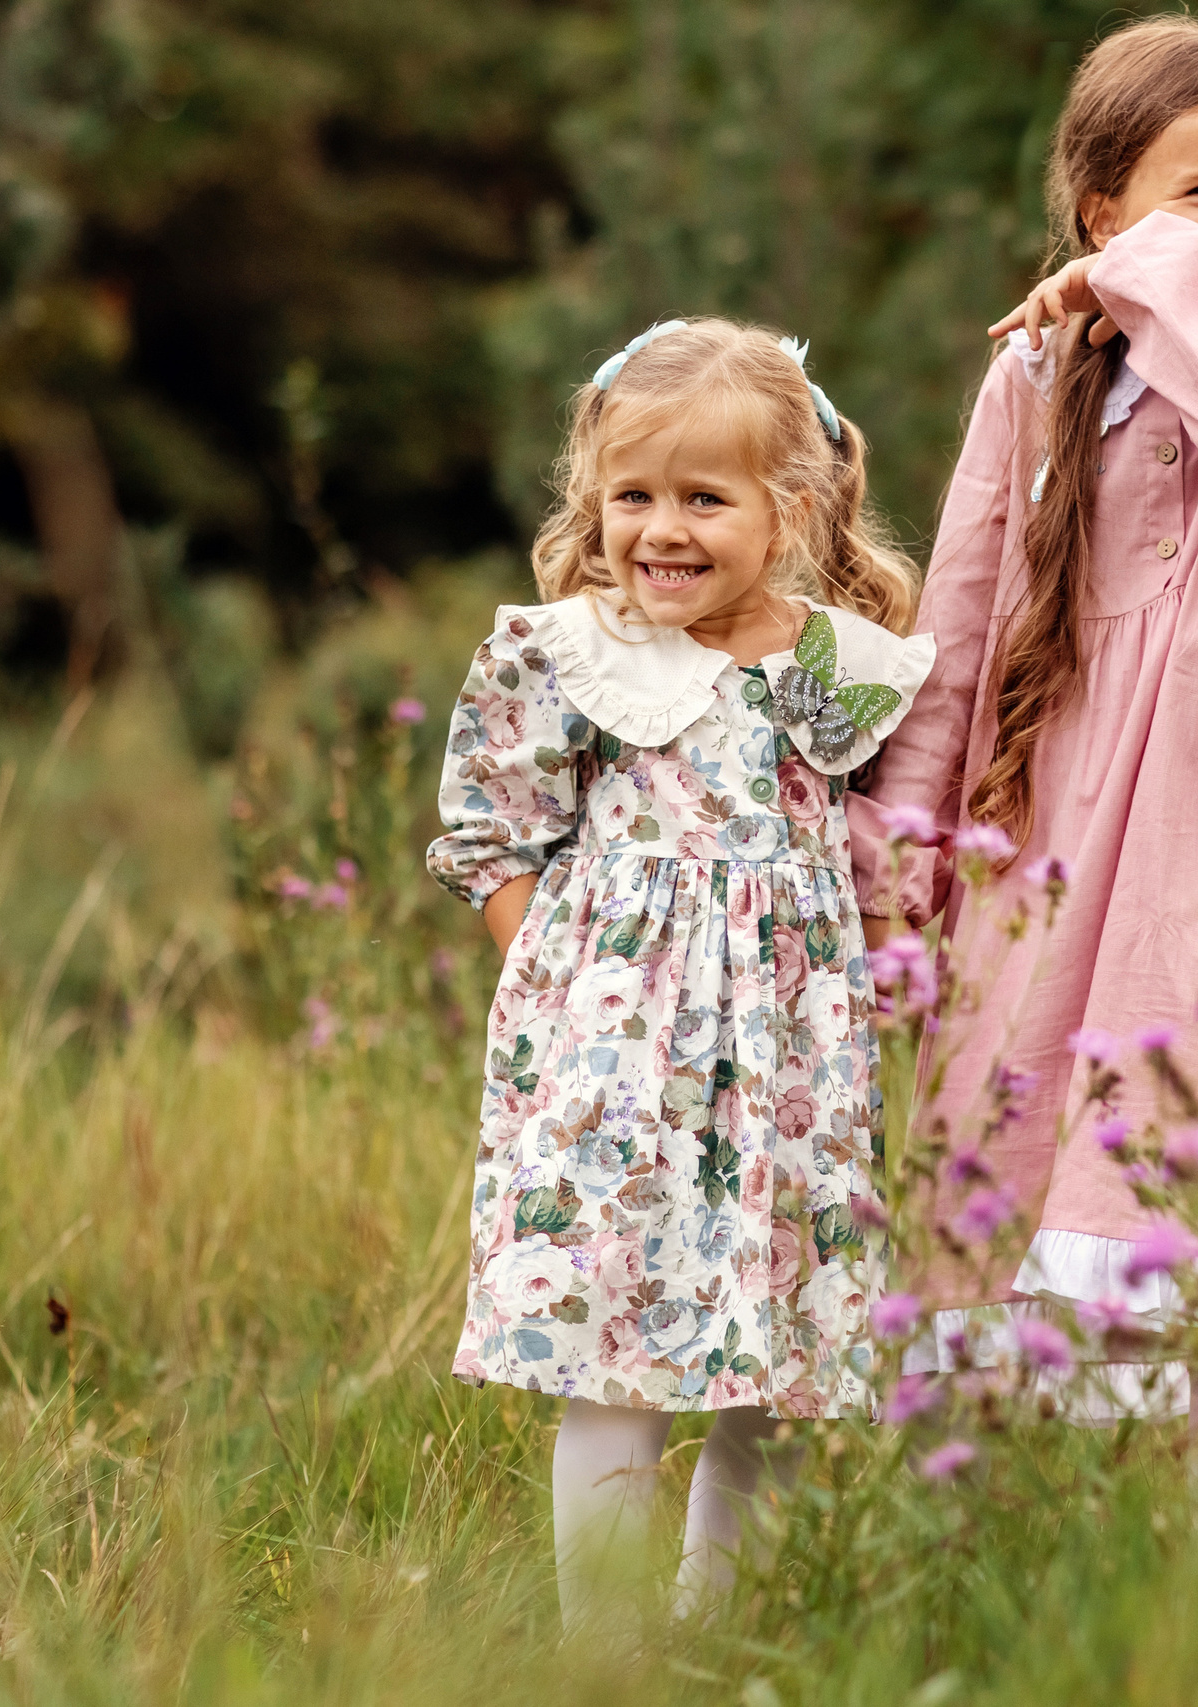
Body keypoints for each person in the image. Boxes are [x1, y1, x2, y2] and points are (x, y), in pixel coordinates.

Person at [850, 16, 1198, 1419]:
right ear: (1101, 207)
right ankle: (1039, 1512)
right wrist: (902, 863)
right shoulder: (1030, 381)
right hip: (1040, 823)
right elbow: (957, 636)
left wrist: (1140, 272)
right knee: (1014, 1131)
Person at [424, 318, 930, 1629]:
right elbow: (487, 834)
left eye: (705, 498)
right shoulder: (575, 653)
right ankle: (606, 1656)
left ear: (789, 507)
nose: (662, 529)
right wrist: (566, 989)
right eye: (634, 496)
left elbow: (901, 831)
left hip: (792, 1078)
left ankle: (719, 1637)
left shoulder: (834, 667)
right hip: (618, 1072)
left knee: (783, 1367)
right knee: (617, 1357)